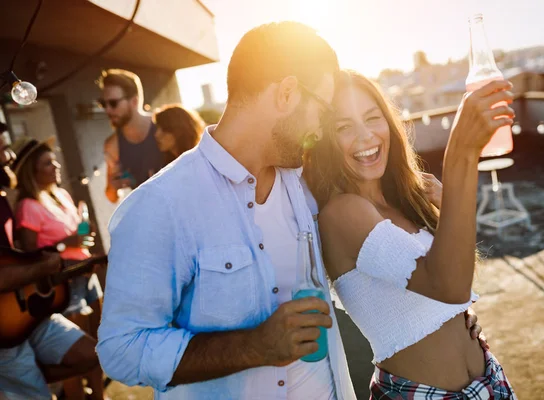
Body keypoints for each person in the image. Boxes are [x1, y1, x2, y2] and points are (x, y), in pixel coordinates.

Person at [97, 22, 484, 399]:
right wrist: (253, 347)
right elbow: (122, 348)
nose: (322, 130)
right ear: (286, 94)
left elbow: (381, 232)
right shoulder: (159, 206)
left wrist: (444, 321)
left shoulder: (304, 185)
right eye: (323, 112)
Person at [304, 70, 516, 399]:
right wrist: (461, 152)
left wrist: (457, 317)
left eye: (372, 118)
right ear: (325, 140)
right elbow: (448, 285)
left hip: (489, 382)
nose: (364, 138)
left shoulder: (409, 200)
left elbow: (449, 282)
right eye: (344, 127)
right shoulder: (342, 213)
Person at [0, 129, 99, 400]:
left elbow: (15, 257)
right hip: (6, 332)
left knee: (93, 354)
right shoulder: (25, 206)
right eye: (2, 150)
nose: (9, 157)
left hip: (25, 313)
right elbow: (31, 253)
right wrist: (54, 256)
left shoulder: (2, 201)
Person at [98, 69, 164, 203]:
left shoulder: (163, 127)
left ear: (134, 101)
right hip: (153, 216)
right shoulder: (112, 145)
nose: (107, 110)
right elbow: (111, 197)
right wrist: (113, 186)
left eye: (113, 103)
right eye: (103, 104)